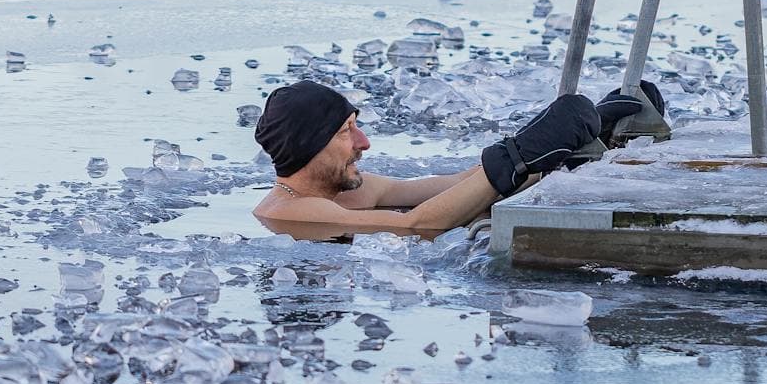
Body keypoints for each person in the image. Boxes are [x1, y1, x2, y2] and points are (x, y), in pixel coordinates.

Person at [249, 78, 663, 239]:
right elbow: (419, 224)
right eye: (345, 131)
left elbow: (453, 186)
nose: (364, 142)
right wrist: (516, 158)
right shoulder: (297, 214)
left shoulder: (353, 192)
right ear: (310, 145)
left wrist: (553, 156)